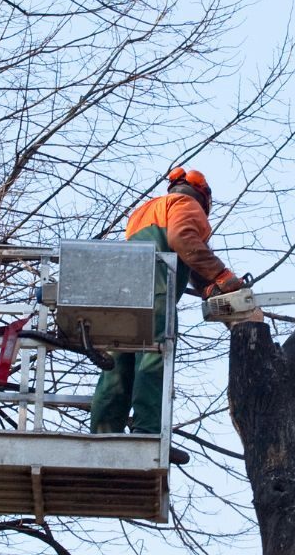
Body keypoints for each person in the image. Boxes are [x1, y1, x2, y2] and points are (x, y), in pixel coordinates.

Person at [89, 168, 244, 434]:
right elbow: (183, 239)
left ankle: (103, 433)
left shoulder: (144, 210)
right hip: (156, 291)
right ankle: (148, 431)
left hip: (121, 296)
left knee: (117, 366)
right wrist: (223, 276)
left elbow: (186, 256)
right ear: (203, 197)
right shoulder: (187, 204)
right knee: (153, 357)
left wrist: (210, 288)